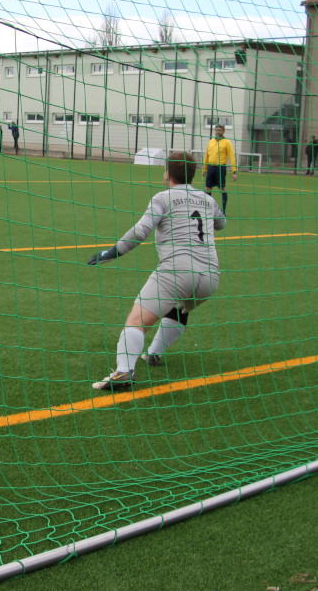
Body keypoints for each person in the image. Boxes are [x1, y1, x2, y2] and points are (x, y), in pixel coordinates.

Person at [86, 151, 226, 391]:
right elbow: (221, 223)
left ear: (167, 173)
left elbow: (141, 232)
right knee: (180, 306)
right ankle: (154, 353)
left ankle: (123, 372)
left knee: (137, 321)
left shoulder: (163, 198)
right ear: (192, 175)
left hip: (177, 272)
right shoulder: (208, 199)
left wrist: (110, 252)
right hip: (210, 277)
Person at [203, 124, 238, 215]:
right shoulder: (211, 141)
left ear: (223, 132)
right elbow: (207, 155)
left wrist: (234, 171)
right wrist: (205, 169)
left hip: (220, 168)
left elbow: (231, 156)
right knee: (207, 188)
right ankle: (208, 210)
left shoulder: (227, 142)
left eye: (220, 130)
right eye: (216, 130)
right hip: (211, 168)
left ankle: (223, 210)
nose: (218, 132)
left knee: (222, 188)